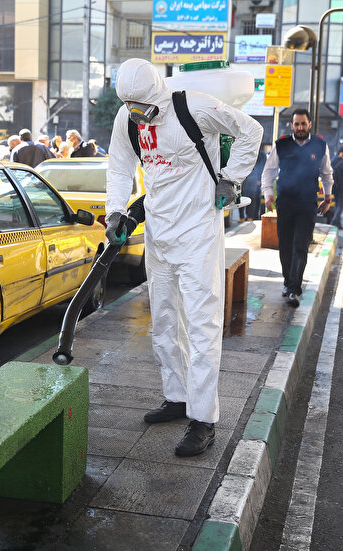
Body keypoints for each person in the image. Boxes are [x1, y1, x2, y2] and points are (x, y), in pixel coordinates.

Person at [106, 58, 262, 457]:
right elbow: (120, 169)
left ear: (154, 93)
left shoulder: (192, 107)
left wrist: (232, 177)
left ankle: (204, 419)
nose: (137, 115)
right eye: (129, 107)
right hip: (159, 235)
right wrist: (114, 210)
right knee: (163, 323)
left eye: (140, 107)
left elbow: (251, 130)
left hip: (198, 235)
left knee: (201, 326)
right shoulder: (128, 121)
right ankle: (176, 398)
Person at [262, 108, 333, 308]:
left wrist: (327, 197)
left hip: (307, 202)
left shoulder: (320, 145)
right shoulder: (282, 144)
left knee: (301, 245)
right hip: (285, 202)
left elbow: (327, 173)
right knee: (285, 245)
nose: (300, 127)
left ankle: (295, 289)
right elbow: (268, 172)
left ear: (309, 124)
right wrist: (268, 194)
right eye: (296, 124)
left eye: (303, 123)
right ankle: (288, 282)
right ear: (292, 125)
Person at [240, 142, 268, 222]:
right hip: (245, 178)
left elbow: (263, 167)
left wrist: (259, 179)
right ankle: (243, 217)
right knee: (242, 196)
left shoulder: (261, 153)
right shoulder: (246, 151)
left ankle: (251, 217)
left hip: (255, 179)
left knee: (253, 198)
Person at [329, 145, 343, 230]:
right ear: (341, 153)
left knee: (337, 205)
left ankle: (338, 224)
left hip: (335, 187)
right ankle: (333, 222)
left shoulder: (333, 160)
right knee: (340, 206)